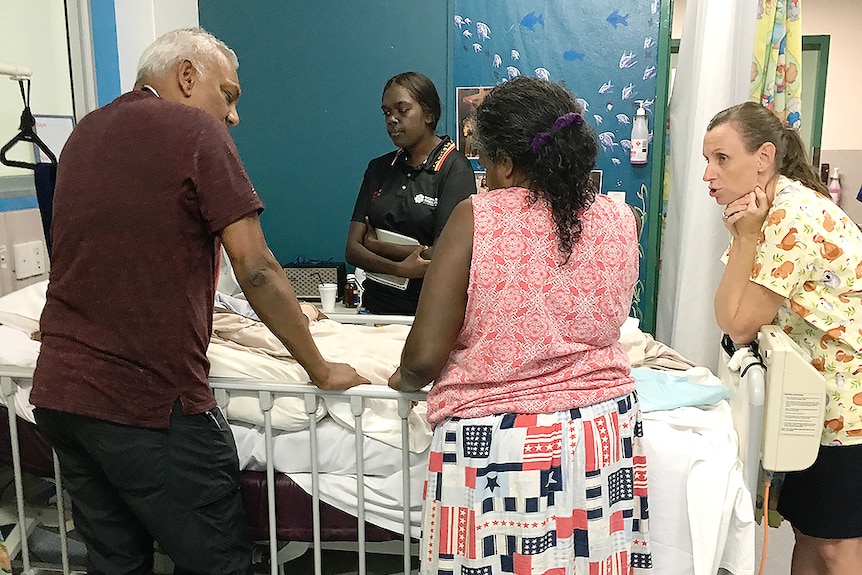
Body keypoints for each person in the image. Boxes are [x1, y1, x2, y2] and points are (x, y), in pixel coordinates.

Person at [30, 28, 368, 574]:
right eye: (229, 94)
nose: (233, 115)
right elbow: (256, 269)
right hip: (145, 403)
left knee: (116, 562)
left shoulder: (83, 135)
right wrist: (320, 368)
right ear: (187, 76)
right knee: (218, 563)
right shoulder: (194, 131)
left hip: (60, 396)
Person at [388, 77, 651, 573]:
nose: (484, 179)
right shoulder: (618, 219)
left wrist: (401, 380)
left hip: (499, 447)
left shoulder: (477, 218)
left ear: (506, 161)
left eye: (486, 165)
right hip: (603, 436)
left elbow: (423, 358)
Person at [705, 101, 862, 575]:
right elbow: (726, 316)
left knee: (837, 545)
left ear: (765, 156)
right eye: (706, 160)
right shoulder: (760, 213)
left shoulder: (791, 214)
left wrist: (749, 239)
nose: (708, 175)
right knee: (811, 534)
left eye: (722, 159)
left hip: (848, 404)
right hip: (813, 398)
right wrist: (746, 237)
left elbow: (740, 324)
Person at [345, 72, 476, 315]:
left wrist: (374, 245)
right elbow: (352, 249)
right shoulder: (379, 169)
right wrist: (402, 269)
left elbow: (442, 254)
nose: (392, 119)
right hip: (373, 310)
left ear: (428, 114)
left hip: (428, 315)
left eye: (402, 110)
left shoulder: (455, 169)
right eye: (386, 112)